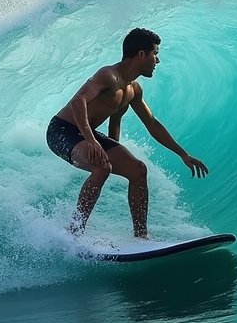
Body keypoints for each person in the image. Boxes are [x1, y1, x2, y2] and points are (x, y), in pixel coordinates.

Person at [46, 28, 209, 239]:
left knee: (138, 169)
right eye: (155, 54)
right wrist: (91, 141)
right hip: (62, 130)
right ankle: (75, 231)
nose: (157, 61)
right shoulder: (109, 76)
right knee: (102, 167)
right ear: (141, 54)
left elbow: (151, 123)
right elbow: (79, 101)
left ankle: (141, 236)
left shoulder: (133, 90)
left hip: (87, 135)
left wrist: (183, 154)